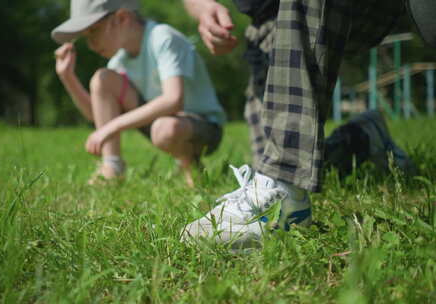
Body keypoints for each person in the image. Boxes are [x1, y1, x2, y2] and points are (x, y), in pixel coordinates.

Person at [180, 0, 416, 248]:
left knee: (282, 168)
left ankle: (290, 210)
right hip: (269, 27)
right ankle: (363, 136)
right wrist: (203, 8)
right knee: (277, 159)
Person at [52, 0, 226, 186]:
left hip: (204, 128)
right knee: (102, 79)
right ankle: (112, 167)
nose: (91, 44)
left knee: (165, 129)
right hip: (162, 124)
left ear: (122, 18)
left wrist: (112, 127)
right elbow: (99, 118)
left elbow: (173, 100)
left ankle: (190, 164)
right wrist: (68, 77)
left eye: (94, 31)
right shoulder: (120, 60)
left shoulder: (162, 37)